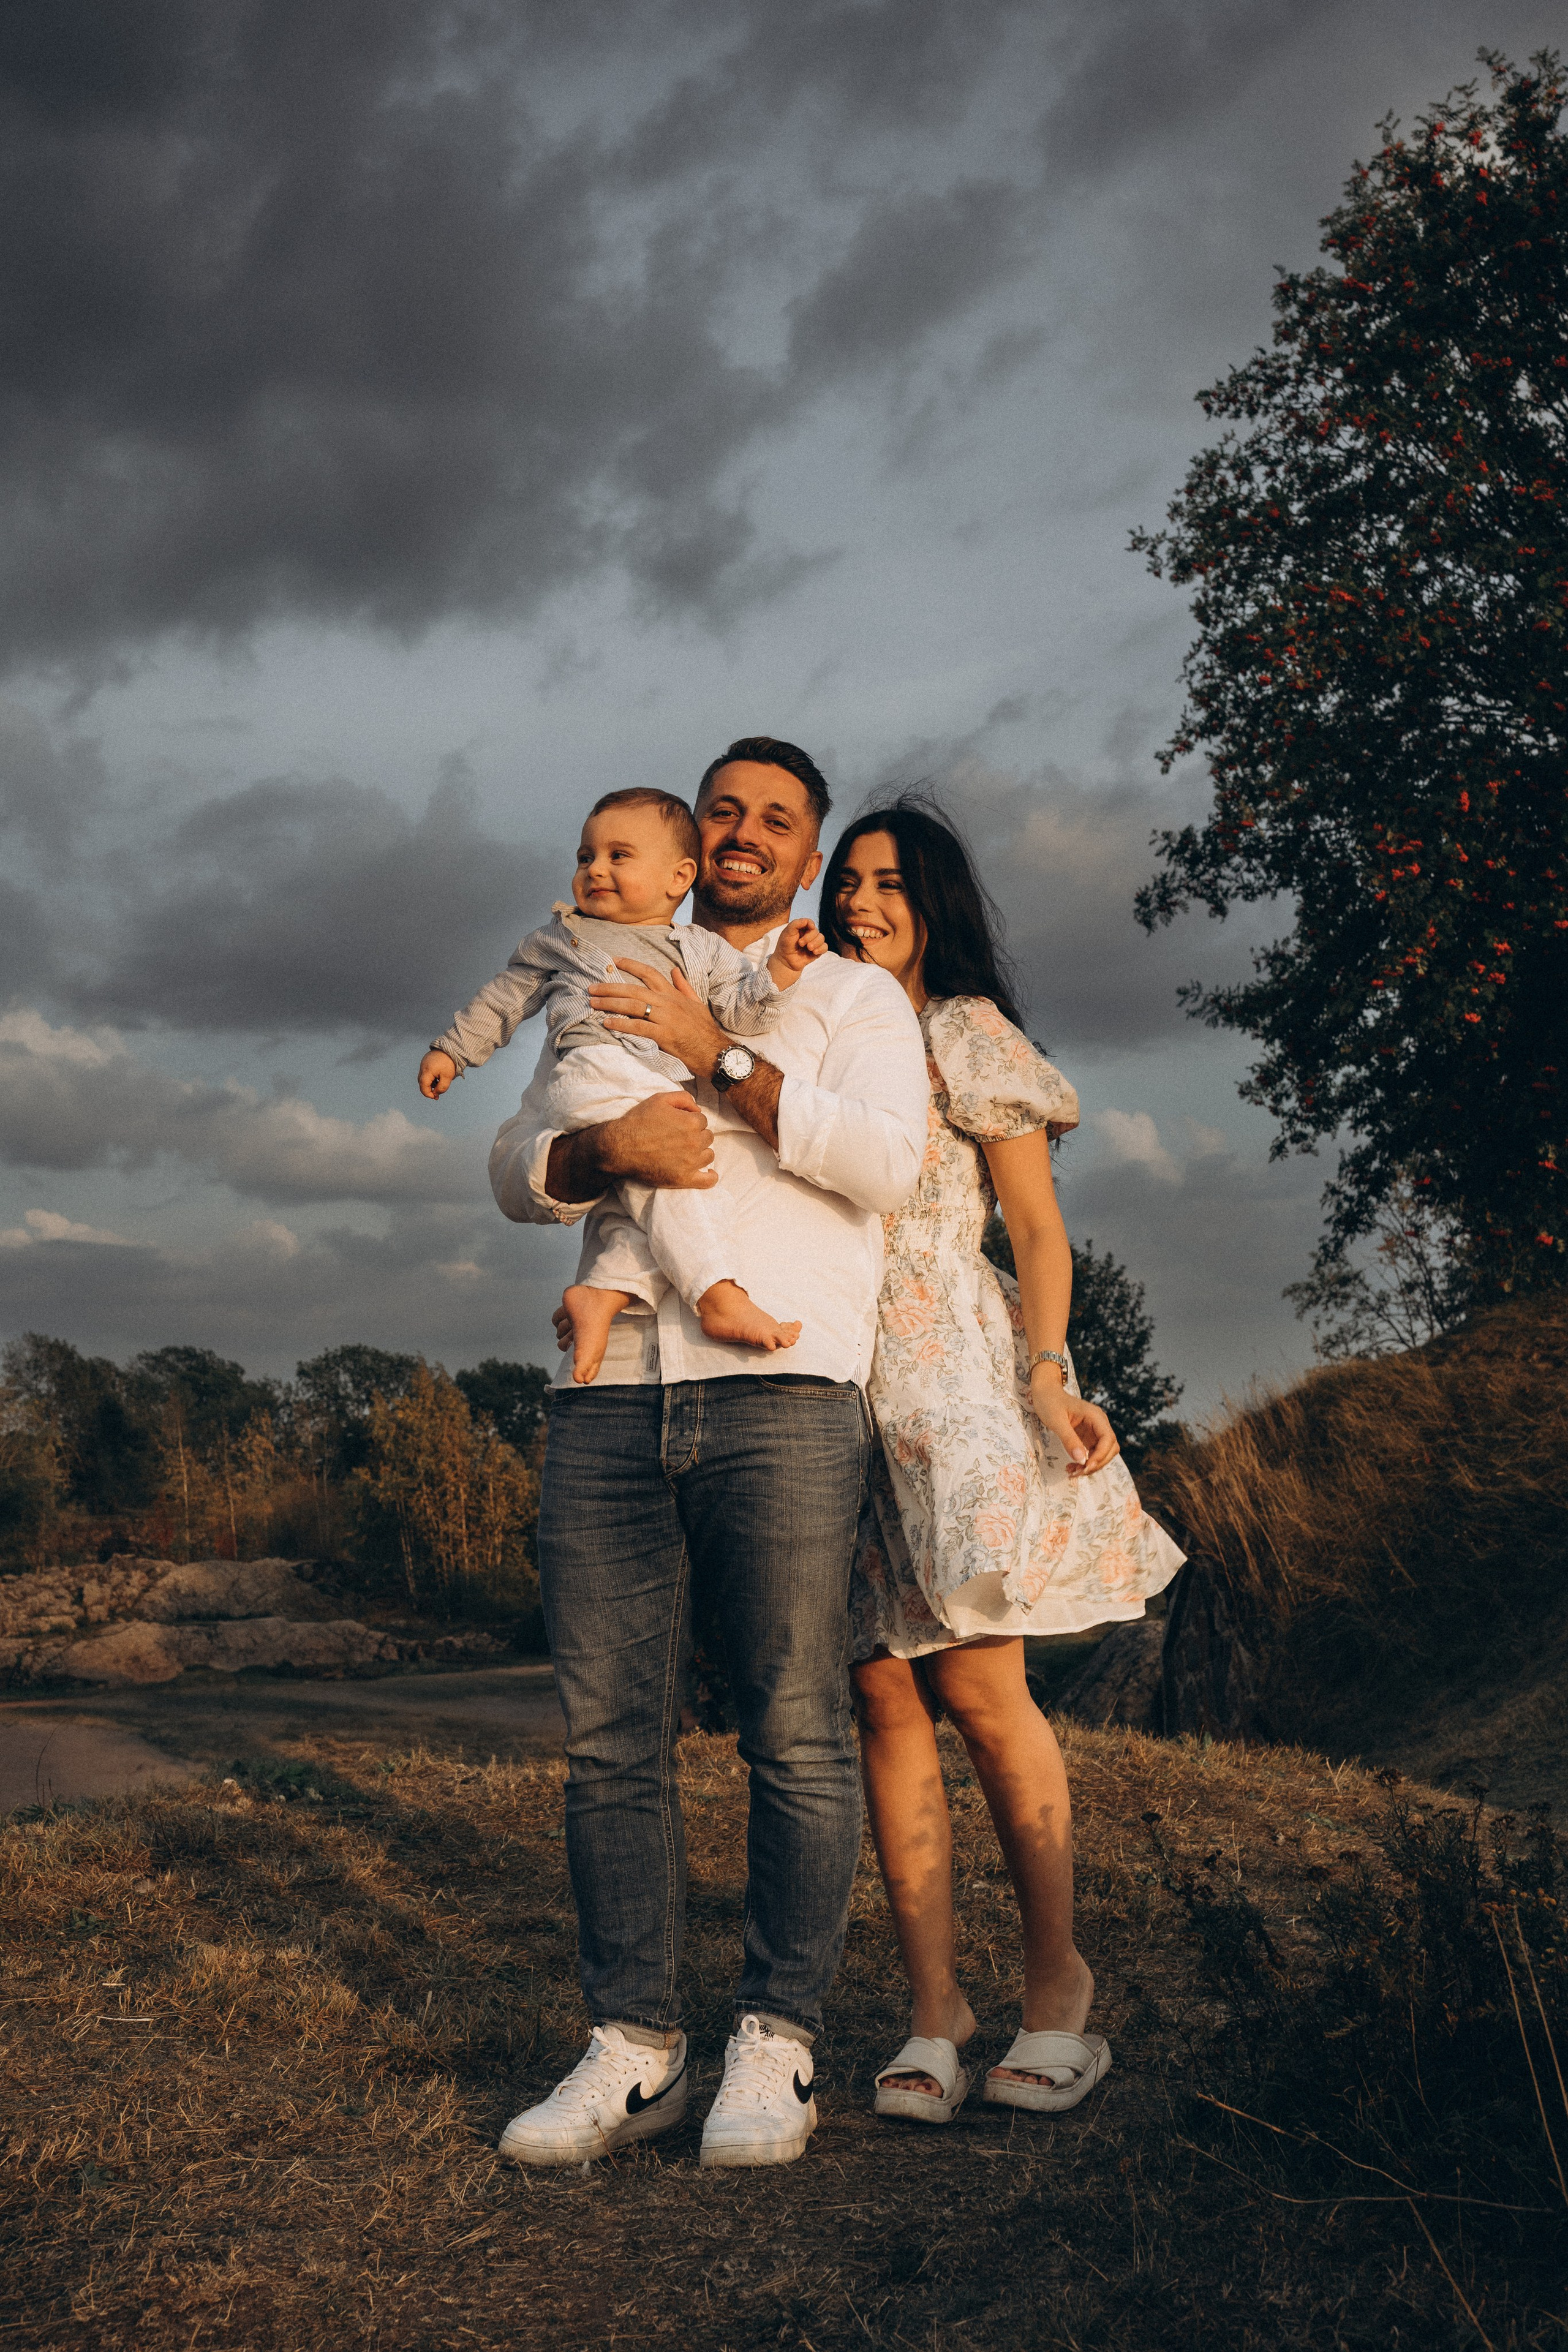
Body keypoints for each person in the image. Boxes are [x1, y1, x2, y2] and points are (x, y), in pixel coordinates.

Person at [486, 738, 929, 2169]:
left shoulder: (844, 993)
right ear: (693, 839)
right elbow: (514, 1163)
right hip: (608, 1385)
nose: (744, 831)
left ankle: (776, 2040)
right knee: (606, 1734)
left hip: (784, 1385)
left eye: (775, 819)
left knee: (791, 1721)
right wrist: (597, 1139)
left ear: (806, 855)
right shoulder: (606, 953)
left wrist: (715, 1056)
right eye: (722, 808)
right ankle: (632, 2046)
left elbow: (881, 1165)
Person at [820, 797, 1184, 2124]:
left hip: (951, 1378)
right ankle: (933, 2010)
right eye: (846, 882)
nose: (860, 902)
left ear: (935, 904)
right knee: (879, 1698)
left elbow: (1034, 1228)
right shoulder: (812, 1033)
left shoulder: (963, 1034)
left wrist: (1044, 1375)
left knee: (979, 1685)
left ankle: (1054, 1989)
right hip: (829, 1387)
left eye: (889, 884)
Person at [418, 785, 827, 1378]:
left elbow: (743, 1013)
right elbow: (506, 998)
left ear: (677, 877)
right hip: (593, 1071)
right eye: (586, 857)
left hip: (654, 1086)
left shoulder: (699, 950)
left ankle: (603, 1294)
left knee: (641, 1205)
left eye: (618, 856)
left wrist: (781, 971)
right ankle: (717, 1294)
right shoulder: (564, 936)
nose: (595, 870)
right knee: (688, 1178)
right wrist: (452, 1052)